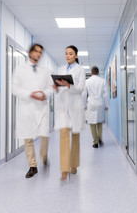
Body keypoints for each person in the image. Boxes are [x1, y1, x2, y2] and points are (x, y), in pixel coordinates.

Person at [12, 43, 53, 178]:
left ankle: (44, 155)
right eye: (36, 51)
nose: (38, 54)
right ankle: (33, 166)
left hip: (41, 107)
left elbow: (50, 88)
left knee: (44, 134)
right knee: (27, 138)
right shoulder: (20, 69)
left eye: (40, 52)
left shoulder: (46, 71)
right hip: (27, 108)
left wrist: (44, 94)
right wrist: (30, 93)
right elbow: (14, 88)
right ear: (30, 53)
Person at [53, 45, 86, 180]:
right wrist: (56, 87)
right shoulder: (61, 69)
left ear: (76, 56)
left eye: (71, 54)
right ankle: (64, 169)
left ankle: (74, 165)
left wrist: (68, 85)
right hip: (63, 107)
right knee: (63, 136)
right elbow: (59, 90)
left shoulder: (81, 70)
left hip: (75, 106)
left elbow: (80, 89)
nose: (67, 56)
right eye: (66, 53)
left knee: (75, 137)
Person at [83, 66, 109, 148]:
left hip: (91, 103)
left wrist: (84, 105)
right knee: (99, 122)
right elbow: (106, 94)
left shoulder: (87, 81)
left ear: (91, 72)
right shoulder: (102, 81)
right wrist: (107, 105)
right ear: (98, 72)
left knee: (92, 123)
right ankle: (100, 138)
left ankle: (95, 142)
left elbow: (84, 94)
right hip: (100, 102)